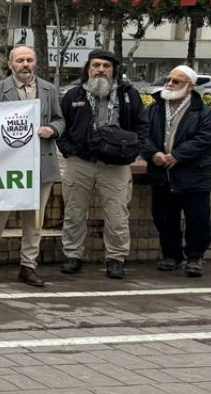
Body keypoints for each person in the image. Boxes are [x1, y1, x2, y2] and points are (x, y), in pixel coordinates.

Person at [0, 46, 65, 287]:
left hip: (40, 163)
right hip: (7, 165)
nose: (25, 64)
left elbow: (59, 118)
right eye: (20, 60)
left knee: (35, 219)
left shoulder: (48, 89)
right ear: (11, 64)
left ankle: (28, 266)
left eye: (30, 60)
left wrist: (52, 129)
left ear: (35, 63)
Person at [56, 49, 148, 280]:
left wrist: (133, 151)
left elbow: (142, 126)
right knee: (74, 213)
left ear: (113, 70)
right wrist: (68, 151)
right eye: (96, 65)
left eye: (106, 66)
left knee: (117, 215)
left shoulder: (129, 95)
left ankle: (116, 259)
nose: (100, 69)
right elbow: (60, 126)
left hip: (116, 166)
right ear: (88, 68)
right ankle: (73, 255)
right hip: (80, 163)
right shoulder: (73, 95)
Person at [142, 65, 211, 278]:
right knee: (164, 218)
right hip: (161, 174)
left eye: (176, 82)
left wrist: (178, 155)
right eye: (169, 79)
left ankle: (195, 258)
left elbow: (205, 139)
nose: (170, 84)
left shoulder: (203, 111)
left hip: (193, 174)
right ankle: (171, 255)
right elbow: (142, 134)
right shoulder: (154, 108)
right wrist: (153, 153)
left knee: (197, 219)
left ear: (189, 87)